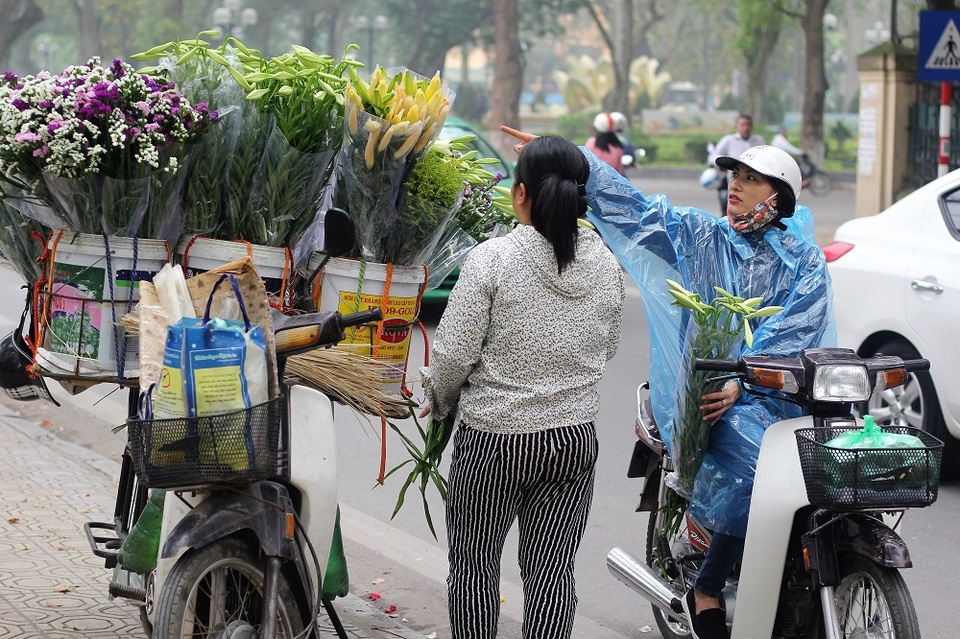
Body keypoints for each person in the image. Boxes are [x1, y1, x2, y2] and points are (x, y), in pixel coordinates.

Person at [502, 126, 835, 639]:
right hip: (710, 399)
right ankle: (707, 585)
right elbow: (638, 211)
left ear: (780, 197)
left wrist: (747, 380)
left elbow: (797, 328)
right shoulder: (702, 238)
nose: (735, 185)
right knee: (759, 472)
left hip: (778, 395)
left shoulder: (805, 260)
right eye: (735, 175)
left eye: (751, 179)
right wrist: (574, 160)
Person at [419, 135, 625, 639]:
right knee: (552, 573)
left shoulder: (493, 259)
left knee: (474, 566)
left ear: (520, 193)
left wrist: (440, 400)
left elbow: (453, 354)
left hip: (494, 440)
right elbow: (609, 346)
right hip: (572, 440)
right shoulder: (606, 264)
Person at [708, 114, 765, 216]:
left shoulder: (759, 141)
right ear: (736, 127)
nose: (746, 127)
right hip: (731, 183)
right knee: (729, 213)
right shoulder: (728, 140)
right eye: (742, 125)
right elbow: (712, 157)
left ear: (752, 126)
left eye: (748, 125)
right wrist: (725, 163)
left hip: (753, 185)